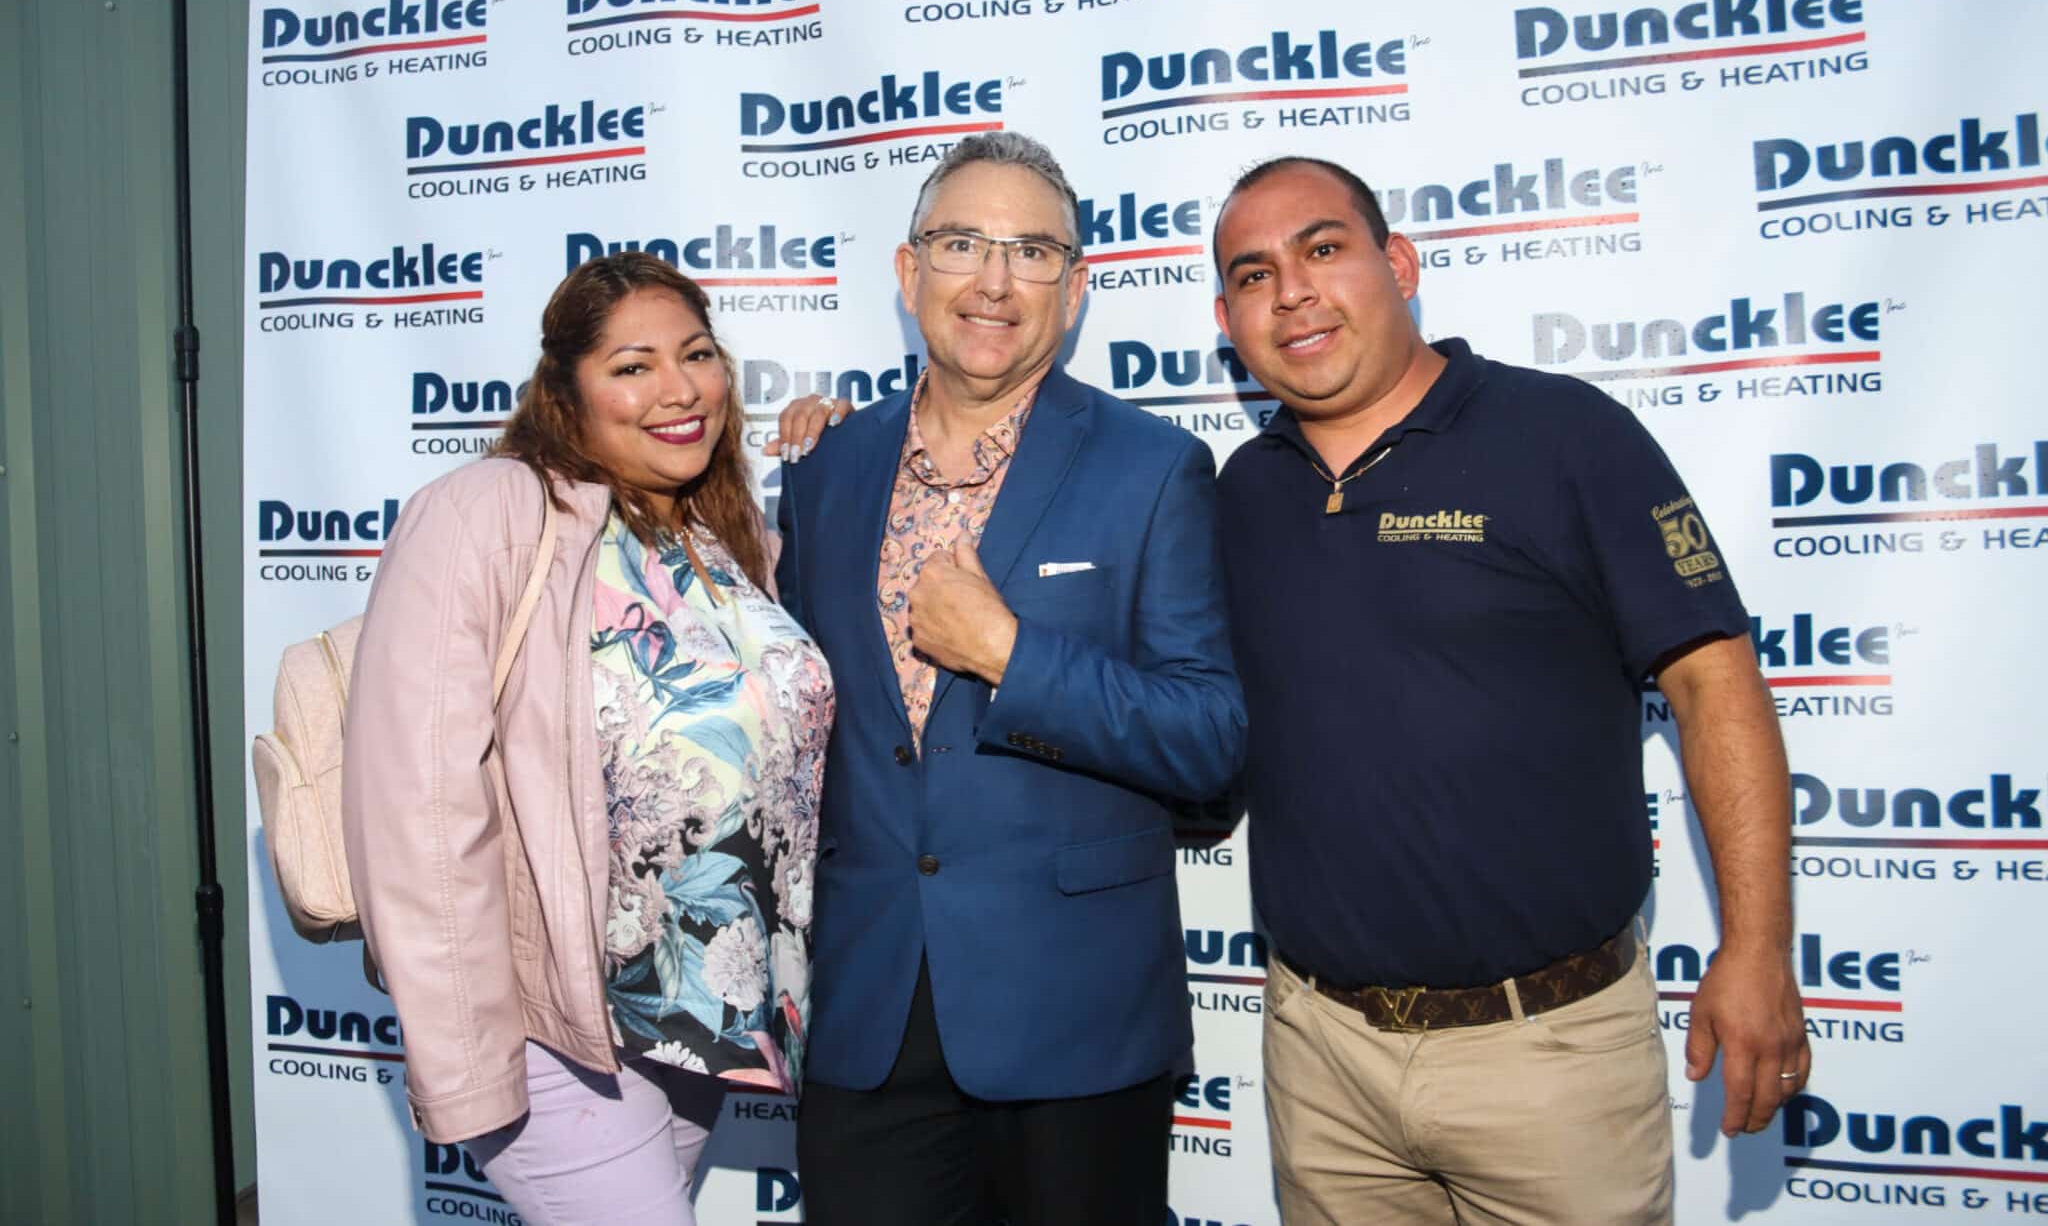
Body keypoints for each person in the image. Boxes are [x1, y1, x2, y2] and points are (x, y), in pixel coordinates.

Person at [1209, 156, 1807, 1224]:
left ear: (1397, 262)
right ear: (1227, 318)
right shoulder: (1241, 493)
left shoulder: (1563, 435)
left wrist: (1755, 947)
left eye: (1323, 248)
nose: (1289, 290)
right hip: (1319, 1059)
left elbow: (1714, 681)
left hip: (1550, 1058)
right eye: (1252, 275)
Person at [768, 131, 1245, 1225]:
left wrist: (1011, 656)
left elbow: (1210, 738)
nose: (993, 280)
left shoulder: (1153, 466)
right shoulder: (826, 470)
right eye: (961, 244)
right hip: (866, 1014)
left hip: (1073, 1021)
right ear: (907, 271)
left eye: (1031, 251)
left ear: (1072, 291)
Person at [342, 253, 833, 1224]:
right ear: (566, 387)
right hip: (550, 1026)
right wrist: (469, 1057)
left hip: (694, 1025)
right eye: (633, 365)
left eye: (696, 354)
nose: (678, 388)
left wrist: (850, 462)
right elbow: (415, 804)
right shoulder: (489, 511)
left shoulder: (726, 540)